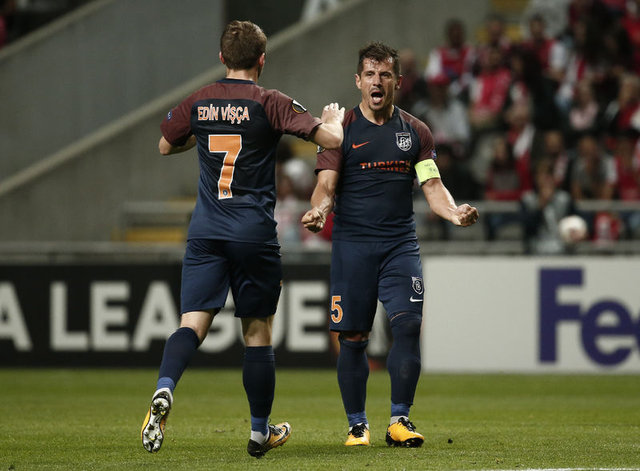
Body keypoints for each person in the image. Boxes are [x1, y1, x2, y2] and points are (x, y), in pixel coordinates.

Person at [140, 20, 345, 458]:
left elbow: (164, 145)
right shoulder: (270, 102)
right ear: (262, 60)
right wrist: (333, 119)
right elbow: (330, 140)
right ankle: (258, 432)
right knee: (257, 331)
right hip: (253, 233)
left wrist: (203, 138)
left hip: (206, 231)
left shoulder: (200, 100)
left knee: (191, 324)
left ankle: (165, 386)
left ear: (221, 58)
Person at [301, 42, 478, 448]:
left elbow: (432, 185)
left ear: (397, 81)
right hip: (353, 247)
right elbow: (325, 186)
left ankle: (400, 420)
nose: (376, 82)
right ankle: (357, 425)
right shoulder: (340, 131)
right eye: (370, 74)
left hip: (400, 245)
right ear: (358, 81)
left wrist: (453, 212)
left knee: (409, 326)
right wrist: (320, 211)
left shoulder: (416, 132)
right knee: (353, 337)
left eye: (384, 75)